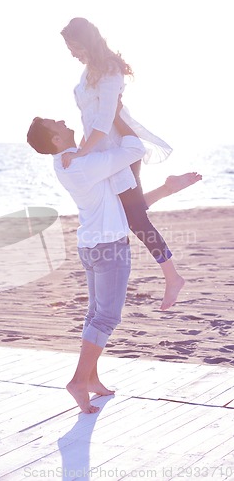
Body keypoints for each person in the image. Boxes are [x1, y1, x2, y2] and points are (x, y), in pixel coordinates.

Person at [26, 117, 196, 414]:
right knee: (106, 319)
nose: (64, 121)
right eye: (57, 124)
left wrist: (168, 189)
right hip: (108, 247)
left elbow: (126, 207)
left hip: (92, 245)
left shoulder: (71, 162)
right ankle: (78, 381)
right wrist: (115, 115)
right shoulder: (81, 164)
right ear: (54, 140)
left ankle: (91, 379)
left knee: (95, 315)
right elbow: (133, 148)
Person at [60, 17, 202, 311]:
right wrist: (83, 151)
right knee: (129, 212)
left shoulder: (110, 71)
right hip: (102, 154)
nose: (72, 53)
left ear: (86, 41)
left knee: (136, 220)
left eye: (74, 46)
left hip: (117, 150)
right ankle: (167, 189)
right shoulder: (91, 71)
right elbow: (90, 122)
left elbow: (104, 121)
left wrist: (81, 154)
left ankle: (173, 277)